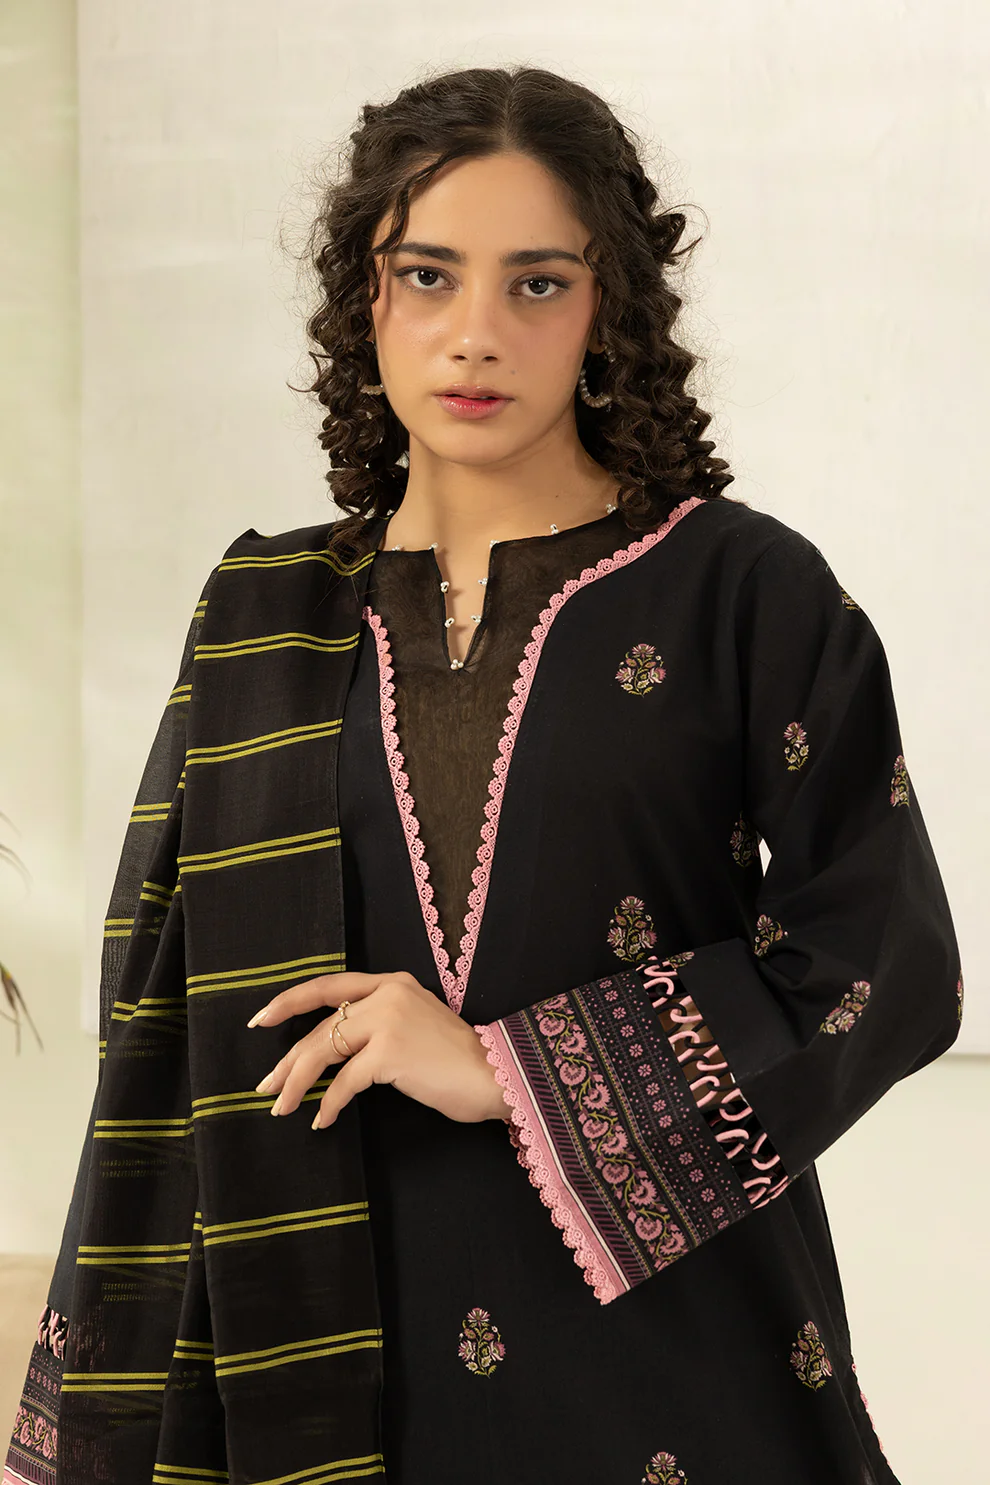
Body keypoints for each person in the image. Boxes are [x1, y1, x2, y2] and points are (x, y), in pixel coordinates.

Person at [4, 65, 962, 1485]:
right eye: (428, 275)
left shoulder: (741, 589)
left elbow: (883, 961)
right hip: (323, 1347)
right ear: (366, 300)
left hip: (679, 1347)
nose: (475, 334)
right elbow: (160, 1029)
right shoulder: (264, 612)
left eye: (536, 284)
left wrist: (510, 1068)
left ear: (606, 310)